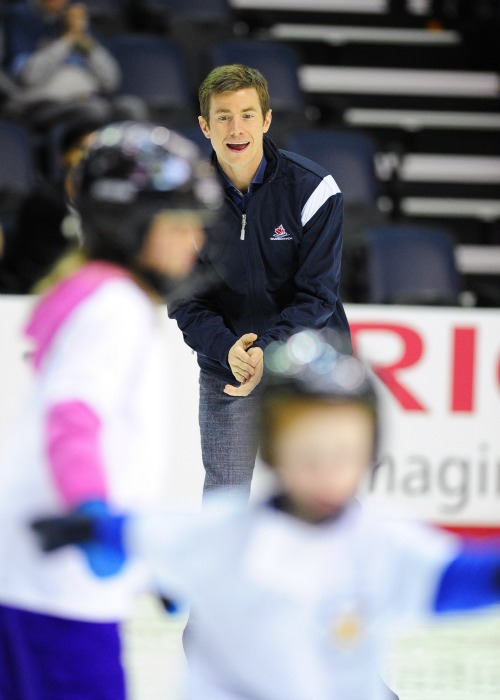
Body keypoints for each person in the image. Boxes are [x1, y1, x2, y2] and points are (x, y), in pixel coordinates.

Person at [33, 329, 500, 700]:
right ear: (274, 451)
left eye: (343, 452)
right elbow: (138, 532)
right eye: (307, 452)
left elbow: (463, 577)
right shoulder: (221, 534)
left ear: (370, 454)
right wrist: (87, 527)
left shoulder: (381, 547)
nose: (325, 469)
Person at [0, 121, 222, 699]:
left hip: (37, 574)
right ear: (128, 226)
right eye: (177, 226)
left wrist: (141, 555)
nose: (191, 243)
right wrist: (94, 517)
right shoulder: (116, 305)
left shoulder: (102, 297)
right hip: (59, 584)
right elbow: (73, 418)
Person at [170, 63, 351, 496]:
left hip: (311, 364)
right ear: (204, 126)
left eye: (248, 114)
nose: (237, 128)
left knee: (327, 496)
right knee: (225, 499)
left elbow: (318, 295)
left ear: (267, 120)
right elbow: (185, 300)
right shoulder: (182, 200)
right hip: (227, 365)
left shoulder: (314, 190)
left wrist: (267, 351)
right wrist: (228, 350)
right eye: (224, 116)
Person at [4, 0, 147, 130]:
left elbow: (110, 81)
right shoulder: (20, 17)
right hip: (45, 105)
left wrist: (85, 41)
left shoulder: (75, 19)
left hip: (91, 98)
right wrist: (67, 40)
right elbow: (28, 76)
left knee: (132, 107)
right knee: (94, 110)